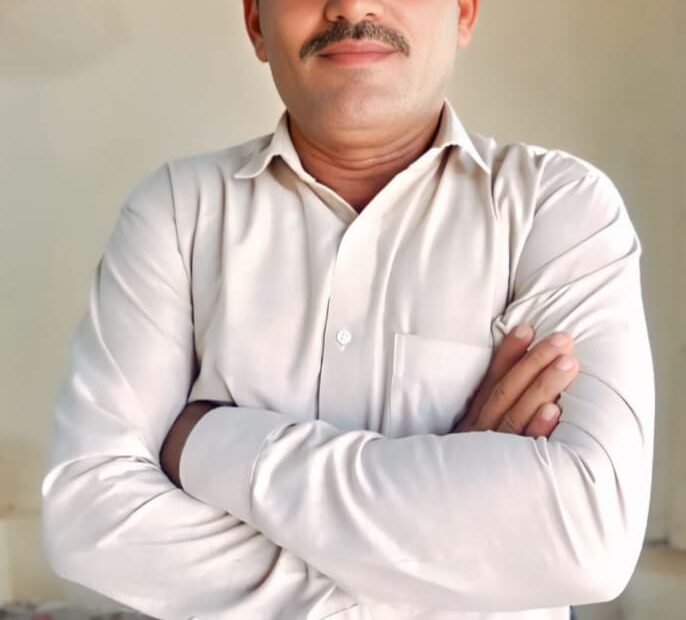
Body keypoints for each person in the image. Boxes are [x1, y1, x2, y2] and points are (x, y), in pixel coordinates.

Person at [41, 1, 655, 619]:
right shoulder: (178, 212)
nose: (352, 5)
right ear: (256, 22)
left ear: (464, 12)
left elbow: (589, 539)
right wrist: (440, 547)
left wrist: (207, 441)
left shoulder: (558, 207)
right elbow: (90, 515)